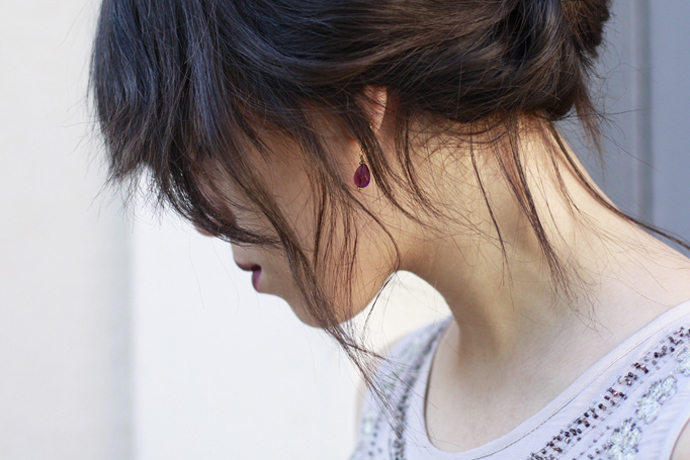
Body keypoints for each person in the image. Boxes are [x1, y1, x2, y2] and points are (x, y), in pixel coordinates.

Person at [90, 0, 690, 458]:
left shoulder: (675, 414)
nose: (204, 218)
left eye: (200, 153)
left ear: (352, 113)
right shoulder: (394, 392)